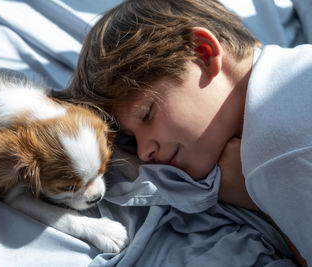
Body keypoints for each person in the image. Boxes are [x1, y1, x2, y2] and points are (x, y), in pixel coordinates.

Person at [57, 0, 311, 265]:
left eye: (147, 114)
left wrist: (260, 198)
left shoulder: (273, 152)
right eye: (131, 139)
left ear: (203, 53)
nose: (144, 151)